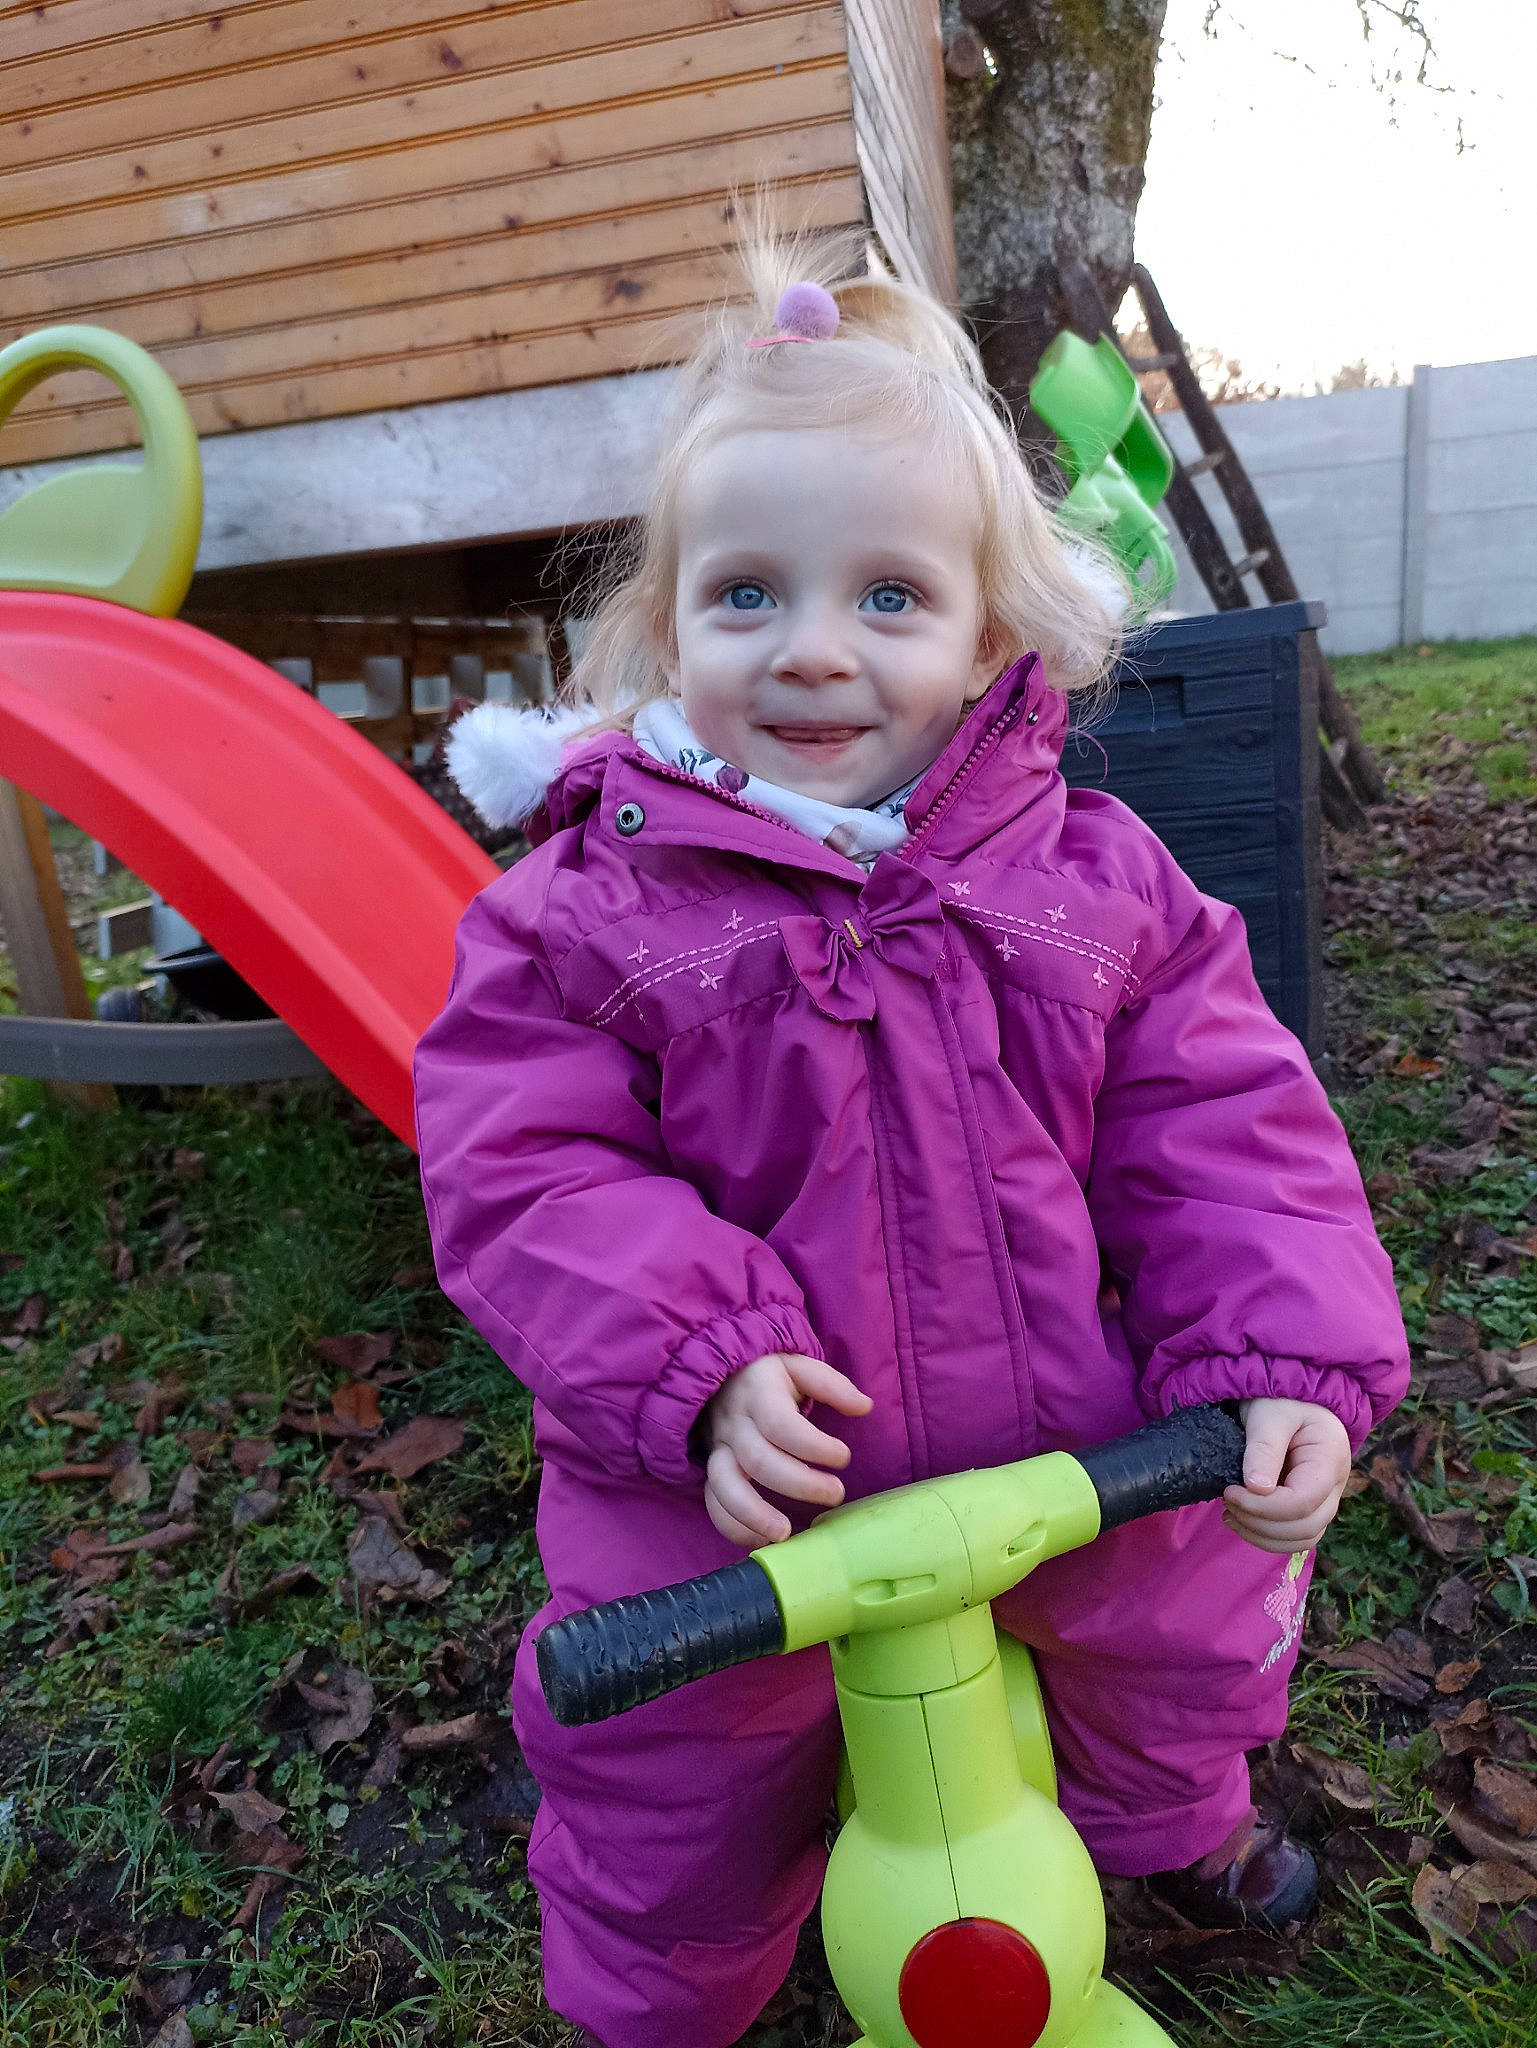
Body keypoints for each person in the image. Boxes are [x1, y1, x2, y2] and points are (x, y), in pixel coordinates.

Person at [413, 225, 1408, 2048]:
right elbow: (527, 1170)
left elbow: (1226, 1123)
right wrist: (697, 1361)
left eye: (886, 597)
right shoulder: (582, 915)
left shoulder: (1094, 883)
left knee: (1183, 1623)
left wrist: (1279, 1354)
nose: (810, 651)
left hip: (1075, 1443)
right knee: (669, 1757)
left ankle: (1163, 1821)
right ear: (668, 626)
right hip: (739, 1488)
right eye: (746, 596)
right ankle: (664, 1990)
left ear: (985, 632)